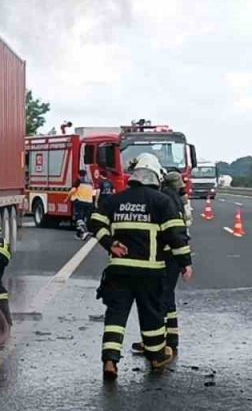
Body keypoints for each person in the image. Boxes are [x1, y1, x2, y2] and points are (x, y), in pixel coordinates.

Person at [87, 154, 192, 381]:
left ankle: (110, 360)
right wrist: (185, 263)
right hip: (150, 271)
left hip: (119, 270)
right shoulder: (161, 201)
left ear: (133, 176)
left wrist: (110, 243)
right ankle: (156, 357)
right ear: (155, 176)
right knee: (151, 315)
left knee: (115, 315)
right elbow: (176, 234)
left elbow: (94, 221)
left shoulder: (115, 200)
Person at [134, 169, 191, 356]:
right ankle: (172, 340)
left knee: (160, 298)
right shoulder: (179, 201)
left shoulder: (164, 199)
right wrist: (184, 260)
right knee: (169, 298)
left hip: (166, 253)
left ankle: (156, 344)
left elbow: (169, 231)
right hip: (176, 253)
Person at [67, 169, 96, 239]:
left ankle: (85, 231)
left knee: (79, 218)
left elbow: (73, 190)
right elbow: (94, 192)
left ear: (78, 175)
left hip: (80, 202)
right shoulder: (90, 183)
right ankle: (78, 234)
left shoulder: (79, 181)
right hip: (89, 202)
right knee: (83, 219)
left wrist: (67, 198)